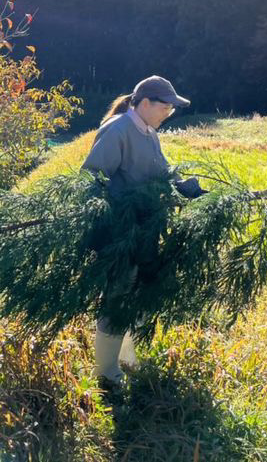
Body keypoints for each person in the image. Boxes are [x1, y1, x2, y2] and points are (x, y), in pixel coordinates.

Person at [80, 75, 203, 387]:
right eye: (166, 107)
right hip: (118, 234)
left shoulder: (148, 133)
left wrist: (183, 186)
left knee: (134, 292)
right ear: (145, 103)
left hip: (143, 231)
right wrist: (120, 210)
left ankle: (126, 360)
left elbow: (160, 171)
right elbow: (92, 180)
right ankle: (106, 373)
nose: (168, 113)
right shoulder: (118, 130)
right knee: (117, 297)